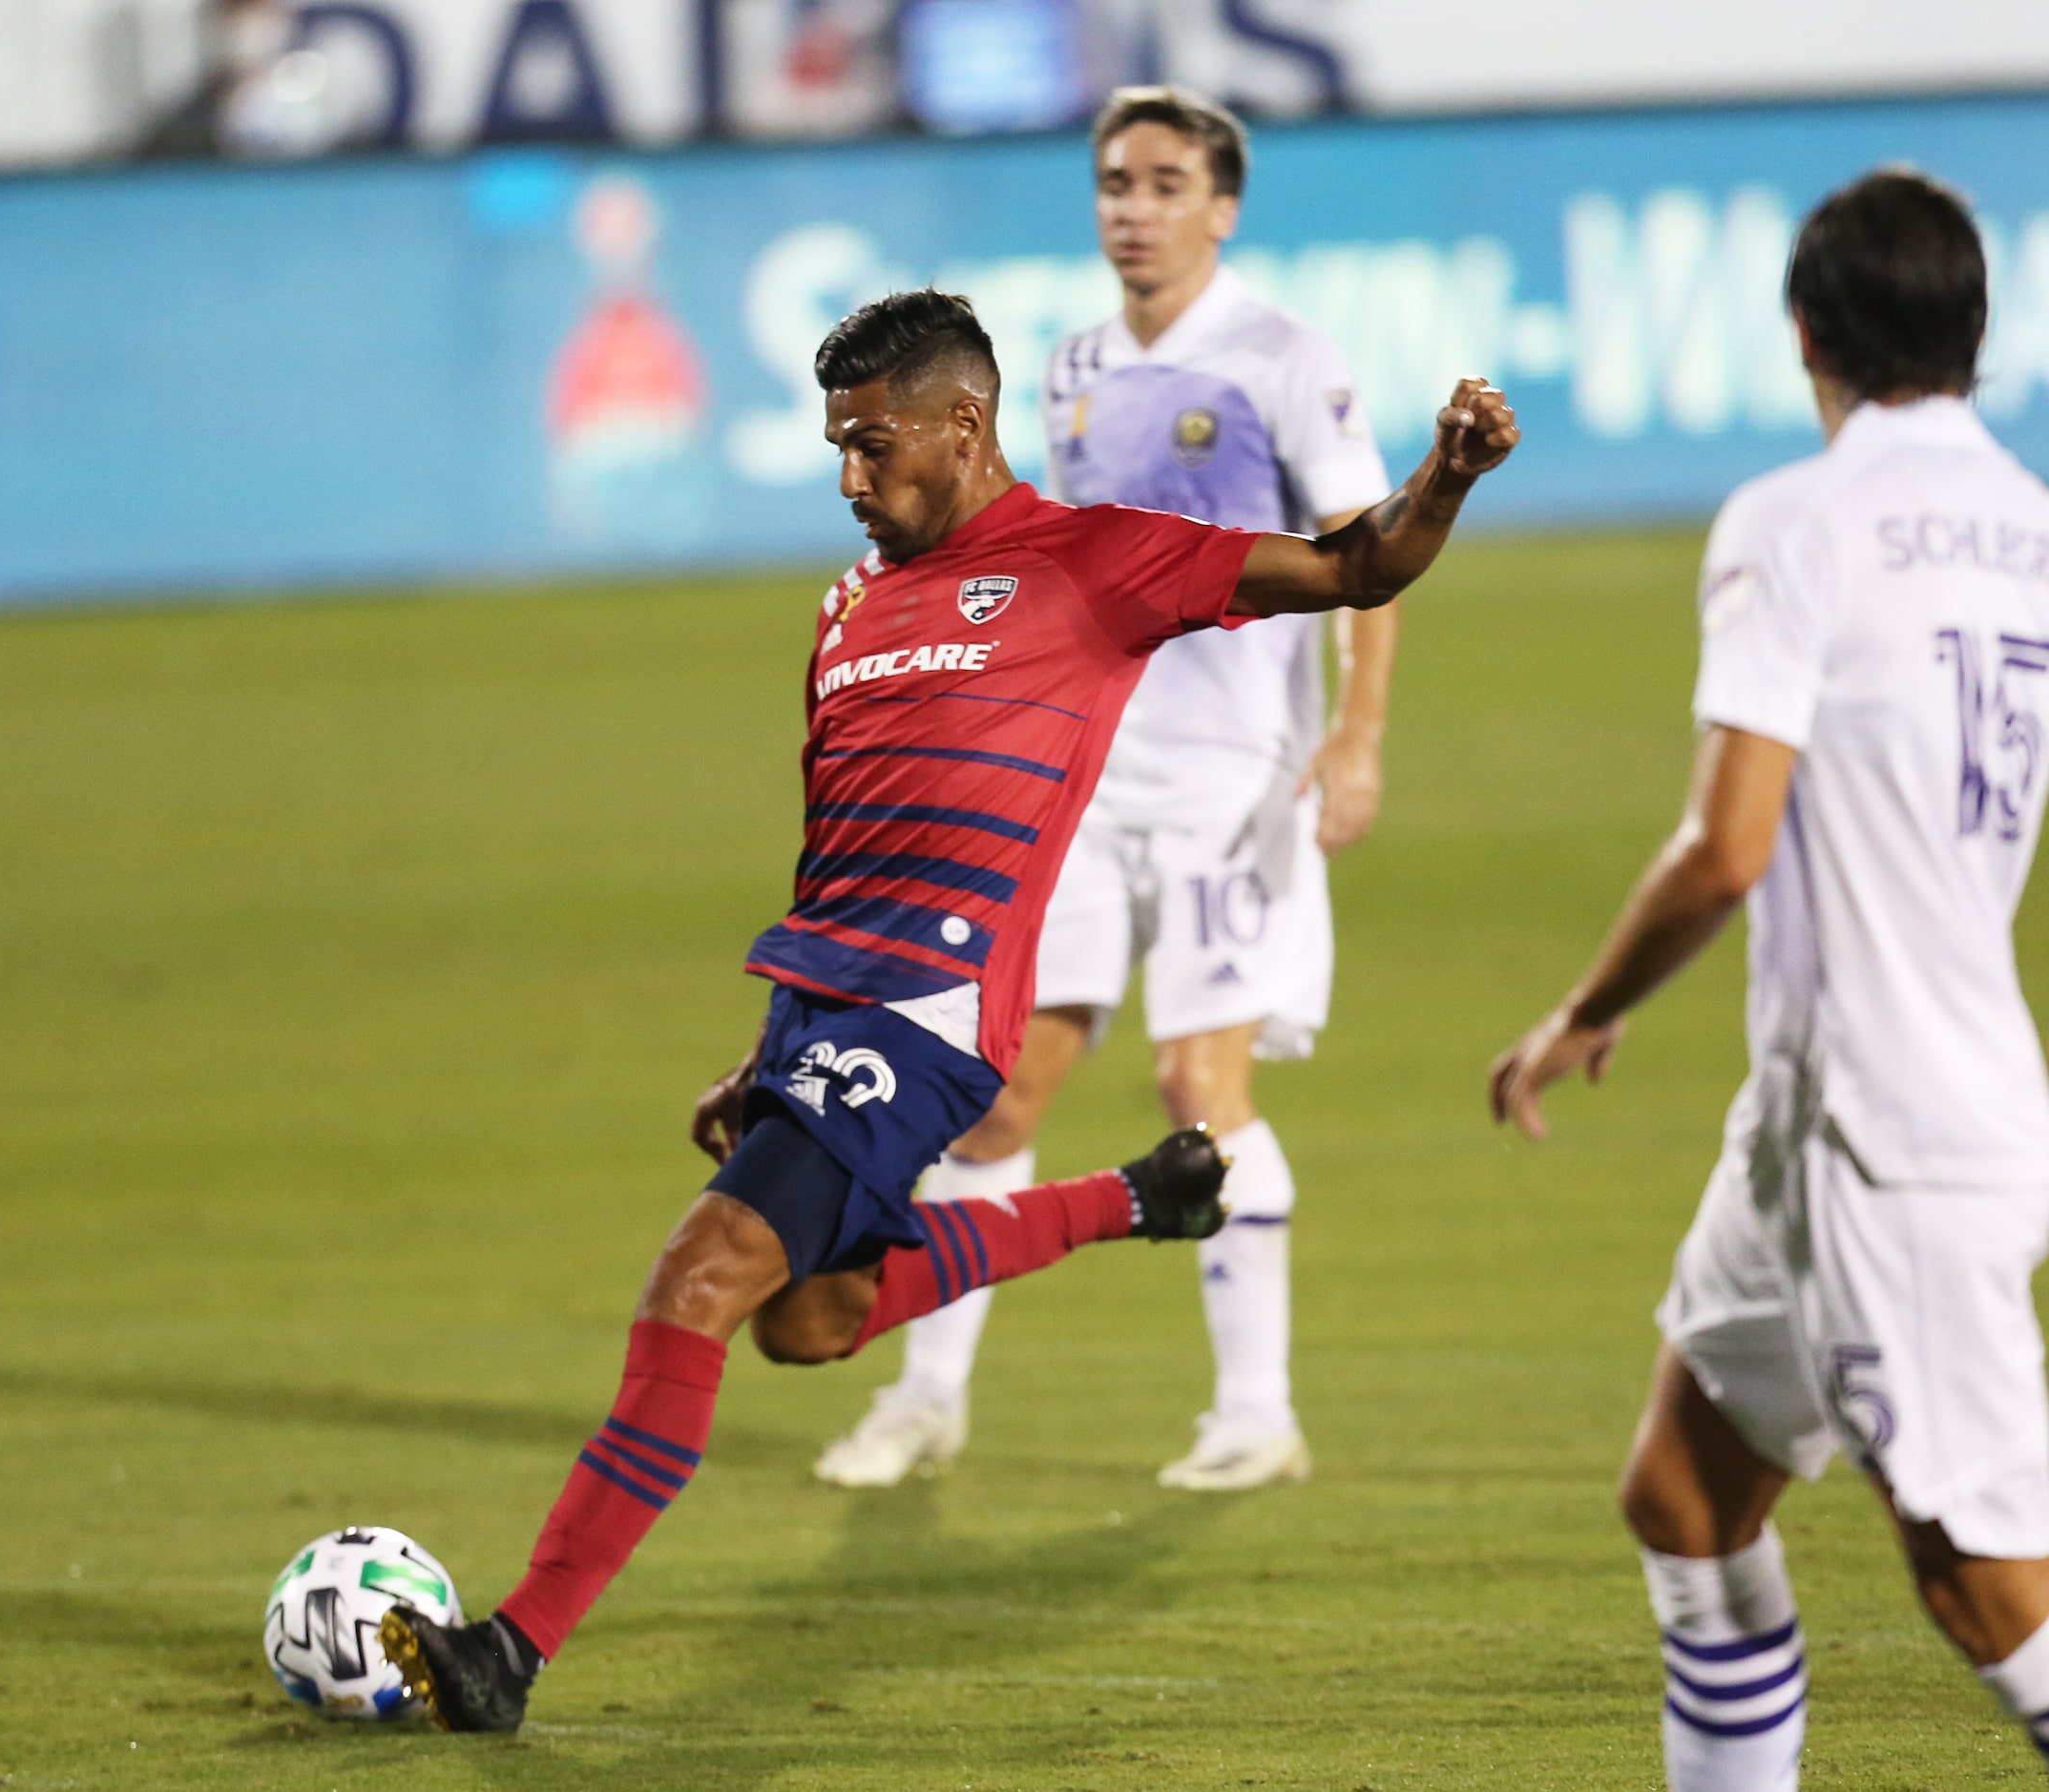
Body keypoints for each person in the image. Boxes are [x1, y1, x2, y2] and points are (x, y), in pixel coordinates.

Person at [384, 287, 1518, 1733]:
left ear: (963, 427)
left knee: (699, 1279)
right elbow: (832, 826)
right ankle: (1134, 1201)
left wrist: (1450, 476)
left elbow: (1359, 566)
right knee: (811, 1318)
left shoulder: (1098, 563)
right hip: (823, 1000)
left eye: (871, 446)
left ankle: (514, 1647)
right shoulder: (849, 604)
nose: (849, 479)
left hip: (930, 1005)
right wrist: (769, 1039)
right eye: (836, 450)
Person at [1489, 168, 2049, 1788]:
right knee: (1685, 1492)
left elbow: (1727, 845)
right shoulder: (2028, 528)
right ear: (1975, 330)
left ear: (1805, 328)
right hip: (1840, 1111)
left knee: (1981, 1576)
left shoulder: (1795, 521)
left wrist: (1585, 1008)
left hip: (1890, 1133)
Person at [814, 84, 1393, 1494]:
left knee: (1200, 1078)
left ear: (1222, 204)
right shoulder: (1067, 367)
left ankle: (1256, 1406)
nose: (1133, 208)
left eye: (1162, 182)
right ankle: (926, 1395)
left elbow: (1365, 554)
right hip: (1077, 782)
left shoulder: (1282, 358)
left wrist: (1358, 731)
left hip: (1233, 779)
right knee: (996, 1094)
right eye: (1114, 183)